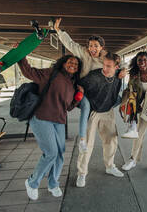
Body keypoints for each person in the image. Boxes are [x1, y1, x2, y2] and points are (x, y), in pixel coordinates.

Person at [54, 18, 126, 153]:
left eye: (96, 46)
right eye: (91, 46)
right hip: (84, 89)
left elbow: (120, 64)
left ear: (101, 47)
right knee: (86, 107)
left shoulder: (106, 58)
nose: (92, 49)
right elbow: (70, 44)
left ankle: (103, 110)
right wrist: (59, 31)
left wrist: (123, 70)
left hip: (99, 93)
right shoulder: (83, 52)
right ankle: (82, 140)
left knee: (118, 99)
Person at [18, 54, 83, 200]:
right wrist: (21, 56)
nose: (73, 65)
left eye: (76, 64)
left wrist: (78, 97)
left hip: (59, 120)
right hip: (41, 117)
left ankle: (53, 184)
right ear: (63, 63)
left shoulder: (73, 83)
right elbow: (29, 72)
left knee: (60, 153)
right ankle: (32, 182)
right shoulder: (51, 73)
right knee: (51, 153)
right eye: (70, 62)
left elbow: (68, 107)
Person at [76, 52, 125, 187]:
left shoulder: (118, 76)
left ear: (116, 67)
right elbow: (79, 85)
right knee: (87, 144)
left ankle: (109, 166)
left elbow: (116, 92)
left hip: (108, 111)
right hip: (93, 111)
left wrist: (122, 72)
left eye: (109, 66)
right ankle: (81, 173)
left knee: (111, 140)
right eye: (104, 65)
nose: (105, 68)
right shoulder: (94, 76)